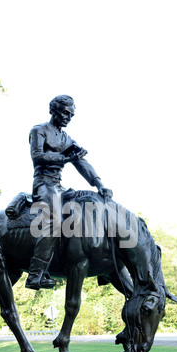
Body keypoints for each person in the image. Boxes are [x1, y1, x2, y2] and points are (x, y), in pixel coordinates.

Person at [26, 95, 112, 290]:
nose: (68, 117)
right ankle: (35, 274)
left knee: (90, 210)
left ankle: (104, 265)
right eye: (66, 112)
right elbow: (37, 156)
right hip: (43, 184)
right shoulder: (39, 130)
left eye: (71, 114)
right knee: (54, 220)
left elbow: (82, 163)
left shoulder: (67, 139)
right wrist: (66, 159)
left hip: (59, 187)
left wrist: (99, 184)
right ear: (53, 110)